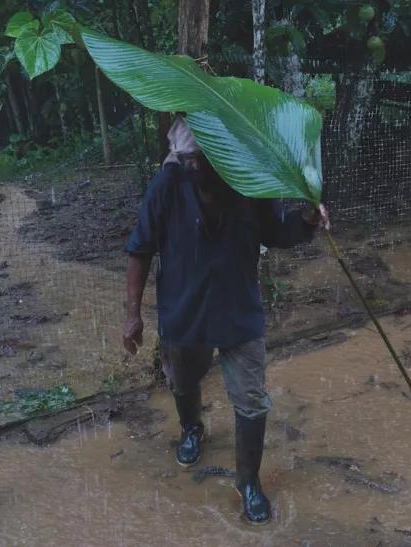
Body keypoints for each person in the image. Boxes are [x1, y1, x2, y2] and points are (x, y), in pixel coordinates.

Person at [122, 115, 328, 525]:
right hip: (184, 310)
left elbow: (274, 233)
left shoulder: (249, 182)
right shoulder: (168, 184)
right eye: (190, 160)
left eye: (203, 160)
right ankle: (192, 428)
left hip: (238, 311)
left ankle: (248, 480)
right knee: (183, 379)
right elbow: (140, 248)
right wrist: (132, 315)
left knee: (251, 398)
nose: (195, 166)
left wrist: (306, 222)